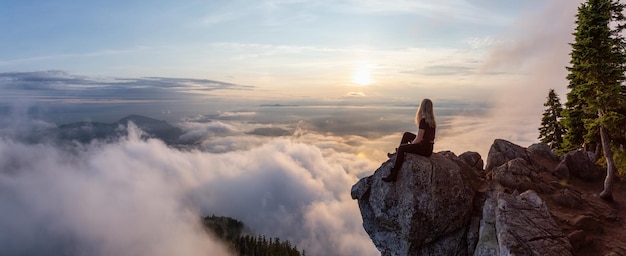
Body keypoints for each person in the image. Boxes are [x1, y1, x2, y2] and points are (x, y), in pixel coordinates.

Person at [382, 98, 436, 182]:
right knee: (407, 135)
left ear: (422, 108)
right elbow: (425, 138)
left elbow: (418, 139)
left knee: (402, 149)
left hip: (424, 148)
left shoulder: (423, 121)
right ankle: (397, 154)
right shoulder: (431, 121)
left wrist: (410, 145)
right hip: (428, 148)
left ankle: (393, 174)